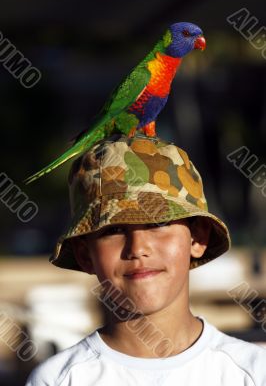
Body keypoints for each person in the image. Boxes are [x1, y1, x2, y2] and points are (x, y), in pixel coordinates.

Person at [25, 133, 266, 385]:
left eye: (158, 223)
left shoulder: (252, 372)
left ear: (196, 237)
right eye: (114, 230)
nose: (138, 248)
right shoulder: (59, 379)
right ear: (86, 254)